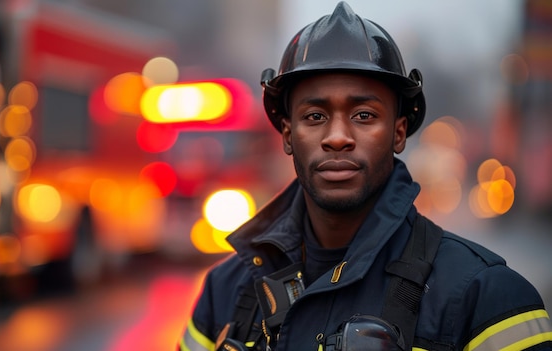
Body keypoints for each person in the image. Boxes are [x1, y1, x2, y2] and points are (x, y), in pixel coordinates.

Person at [179, 2, 552, 351]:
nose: (338, 137)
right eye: (314, 116)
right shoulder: (224, 293)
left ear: (399, 132)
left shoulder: (487, 298)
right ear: (288, 135)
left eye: (363, 116)